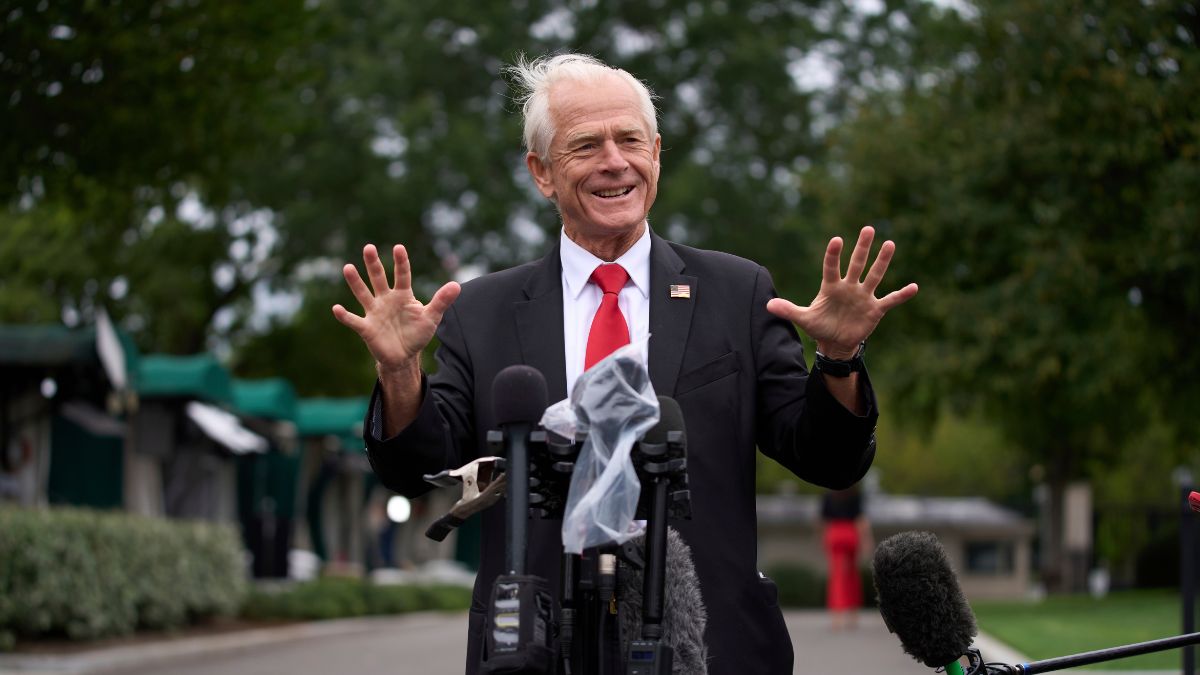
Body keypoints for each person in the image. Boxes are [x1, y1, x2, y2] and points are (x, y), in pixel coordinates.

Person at [333, 53, 917, 675]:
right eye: (586, 146)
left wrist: (837, 358)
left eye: (630, 140)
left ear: (657, 153)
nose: (615, 162)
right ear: (542, 172)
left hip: (709, 647)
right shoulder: (482, 310)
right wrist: (399, 374)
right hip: (534, 650)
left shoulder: (738, 291)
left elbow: (828, 460)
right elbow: (420, 467)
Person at [820, 485, 873, 630]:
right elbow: (861, 519)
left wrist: (824, 539)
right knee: (852, 574)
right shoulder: (854, 493)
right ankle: (853, 615)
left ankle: (837, 617)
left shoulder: (828, 495)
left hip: (835, 534)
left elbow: (824, 520)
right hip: (851, 534)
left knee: (837, 575)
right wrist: (866, 540)